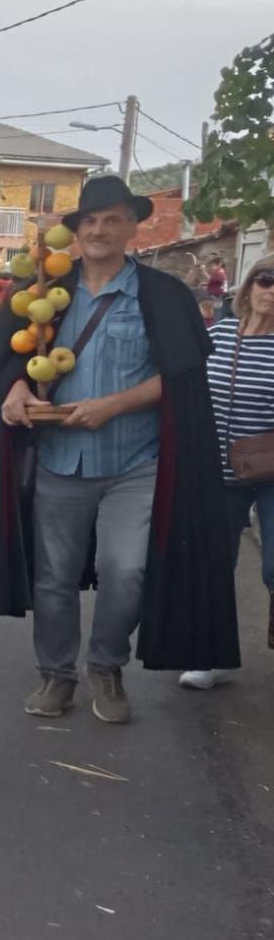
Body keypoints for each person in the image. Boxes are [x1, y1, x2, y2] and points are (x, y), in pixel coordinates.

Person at [0, 175, 238, 722]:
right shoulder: (41, 294)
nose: (100, 230)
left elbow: (181, 379)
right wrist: (13, 388)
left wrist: (116, 404)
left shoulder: (162, 295)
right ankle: (56, 675)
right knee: (53, 576)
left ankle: (106, 665)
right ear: (75, 231)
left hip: (136, 462)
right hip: (58, 461)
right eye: (90, 221)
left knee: (125, 571)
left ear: (133, 226)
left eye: (112, 219)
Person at [180, 252, 274, 688]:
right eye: (265, 279)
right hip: (220, 468)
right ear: (249, 286)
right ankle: (211, 654)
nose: (270, 289)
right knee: (216, 562)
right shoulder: (218, 334)